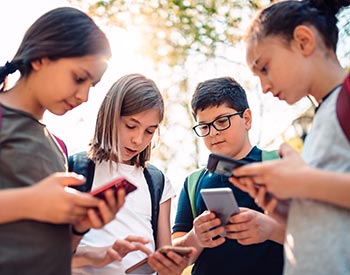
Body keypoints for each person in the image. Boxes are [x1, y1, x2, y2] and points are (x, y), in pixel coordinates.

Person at [0, 7, 125, 275]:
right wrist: (29, 201)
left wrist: (80, 226)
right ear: (41, 58)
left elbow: (54, 250)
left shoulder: (59, 147)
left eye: (92, 85)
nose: (84, 96)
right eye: (79, 78)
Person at [230, 1, 350, 274]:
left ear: (303, 41)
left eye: (264, 67)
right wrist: (289, 211)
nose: (263, 87)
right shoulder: (321, 119)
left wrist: (301, 181)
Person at [71, 74, 195, 275]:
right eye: (131, 126)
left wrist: (174, 260)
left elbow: (166, 262)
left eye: (149, 131)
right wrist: (96, 255)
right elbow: (49, 255)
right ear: (111, 115)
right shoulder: (75, 169)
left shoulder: (157, 181)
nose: (138, 139)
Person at [172, 76, 284, 275]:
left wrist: (270, 228)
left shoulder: (279, 164)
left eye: (222, 121)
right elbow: (175, 260)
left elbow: (315, 233)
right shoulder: (193, 182)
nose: (213, 133)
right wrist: (196, 237)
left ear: (247, 119)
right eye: (205, 127)